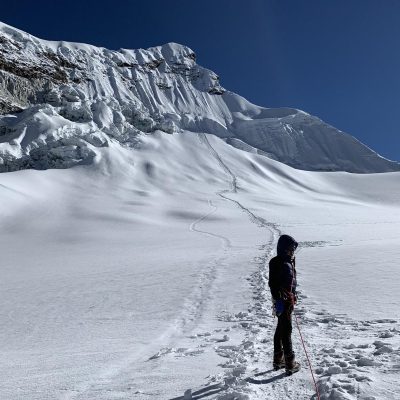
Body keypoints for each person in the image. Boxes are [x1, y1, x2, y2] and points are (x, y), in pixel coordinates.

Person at [268, 234, 301, 376]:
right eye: (290, 249)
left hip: (283, 301)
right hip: (284, 302)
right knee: (286, 330)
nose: (292, 251)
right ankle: (289, 363)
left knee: (280, 329)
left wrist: (293, 295)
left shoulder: (285, 261)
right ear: (284, 249)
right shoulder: (281, 263)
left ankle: (278, 359)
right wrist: (280, 298)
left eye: (293, 249)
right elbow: (273, 284)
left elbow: (289, 284)